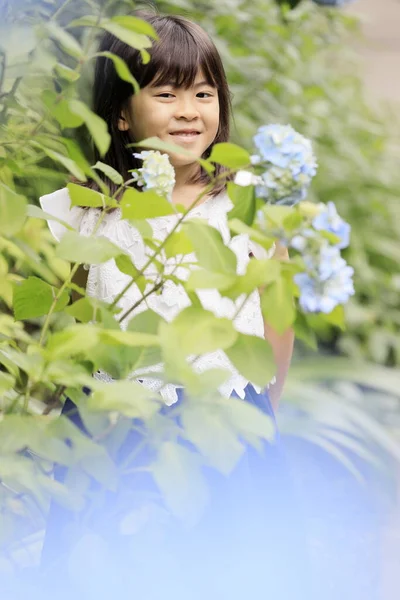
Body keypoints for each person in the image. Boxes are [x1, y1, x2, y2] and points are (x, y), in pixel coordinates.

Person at [39, 11, 309, 600]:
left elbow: (275, 314)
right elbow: (72, 312)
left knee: (233, 565)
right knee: (106, 570)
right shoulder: (90, 207)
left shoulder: (245, 203)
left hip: (225, 419)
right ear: (122, 112)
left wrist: (267, 405)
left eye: (204, 93)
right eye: (166, 93)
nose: (189, 110)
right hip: (113, 422)